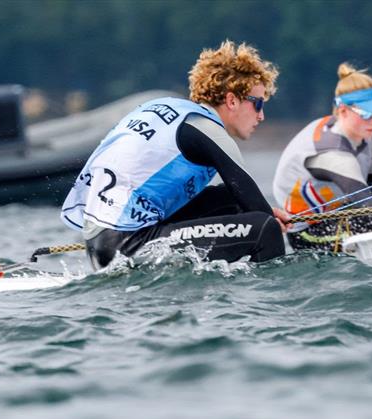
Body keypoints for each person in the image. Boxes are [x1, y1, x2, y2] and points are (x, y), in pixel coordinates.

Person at [61, 41, 290, 270]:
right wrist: (273, 217)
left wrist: (263, 210)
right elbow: (253, 202)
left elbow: (242, 199)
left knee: (230, 199)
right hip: (128, 245)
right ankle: (272, 301)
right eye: (258, 104)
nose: (261, 116)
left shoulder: (169, 109)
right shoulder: (207, 128)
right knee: (264, 229)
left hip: (99, 243)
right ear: (231, 100)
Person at [273, 63, 372, 252]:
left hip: (341, 211)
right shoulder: (332, 152)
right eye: (367, 113)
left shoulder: (360, 134)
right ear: (343, 110)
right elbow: (365, 200)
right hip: (307, 232)